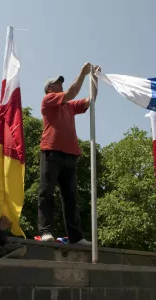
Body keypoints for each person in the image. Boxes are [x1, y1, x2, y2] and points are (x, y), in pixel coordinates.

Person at [38, 62, 100, 245]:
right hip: (52, 152)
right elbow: (72, 92)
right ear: (49, 88)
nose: (60, 84)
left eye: (61, 83)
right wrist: (82, 73)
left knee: (71, 197)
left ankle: (76, 237)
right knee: (46, 193)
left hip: (71, 155)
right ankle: (45, 232)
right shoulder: (48, 100)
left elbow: (90, 100)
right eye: (57, 83)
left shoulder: (69, 106)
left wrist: (94, 79)